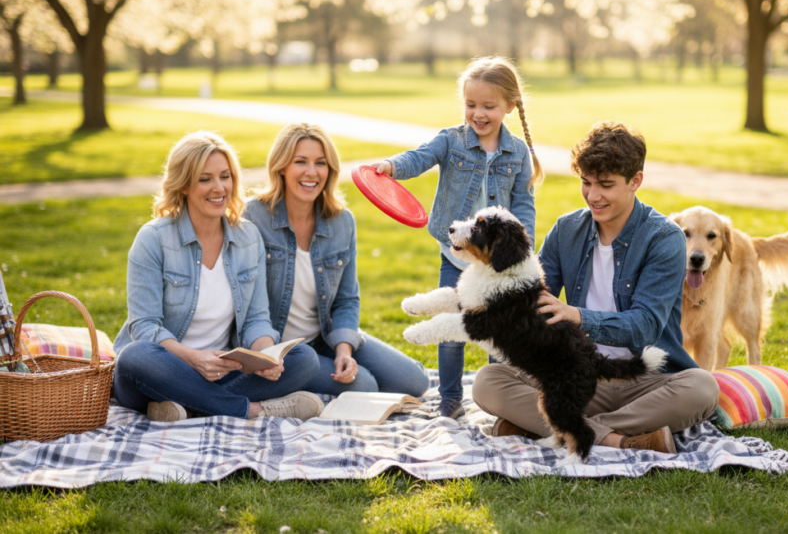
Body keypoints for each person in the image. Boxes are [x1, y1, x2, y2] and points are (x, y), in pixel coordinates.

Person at [472, 121, 720, 453]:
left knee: (703, 387)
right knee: (489, 381)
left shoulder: (664, 238)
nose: (593, 195)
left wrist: (577, 316)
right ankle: (619, 440)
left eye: (605, 184)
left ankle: (553, 426)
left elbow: (644, 327)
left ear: (636, 181)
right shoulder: (566, 230)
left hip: (643, 381)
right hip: (574, 375)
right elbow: (529, 297)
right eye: (586, 182)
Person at [374, 56, 543, 418]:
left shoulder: (516, 154)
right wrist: (392, 167)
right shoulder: (451, 141)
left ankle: (502, 397)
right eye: (470, 105)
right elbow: (420, 157)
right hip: (456, 255)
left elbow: (523, 205)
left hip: (495, 262)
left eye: (488, 106)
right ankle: (451, 397)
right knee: (451, 325)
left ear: (509, 107)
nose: (477, 114)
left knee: (497, 332)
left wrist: (521, 247)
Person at [113, 131, 323, 422]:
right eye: (205, 179)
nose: (218, 188)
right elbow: (144, 326)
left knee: (304, 360)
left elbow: (256, 318)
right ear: (184, 185)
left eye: (225, 176)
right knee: (134, 356)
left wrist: (266, 356)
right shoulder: (154, 238)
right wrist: (193, 359)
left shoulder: (247, 236)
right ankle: (248, 409)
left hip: (223, 372)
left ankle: (190, 407)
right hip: (163, 369)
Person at [243, 123, 429, 398]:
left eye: (321, 163)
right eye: (300, 162)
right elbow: (246, 301)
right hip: (275, 344)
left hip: (324, 335)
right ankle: (289, 387)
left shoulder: (342, 222)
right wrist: (267, 353)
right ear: (281, 166)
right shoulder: (256, 216)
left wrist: (344, 349)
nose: (312, 172)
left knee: (415, 382)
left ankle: (312, 376)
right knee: (365, 385)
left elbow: (346, 299)